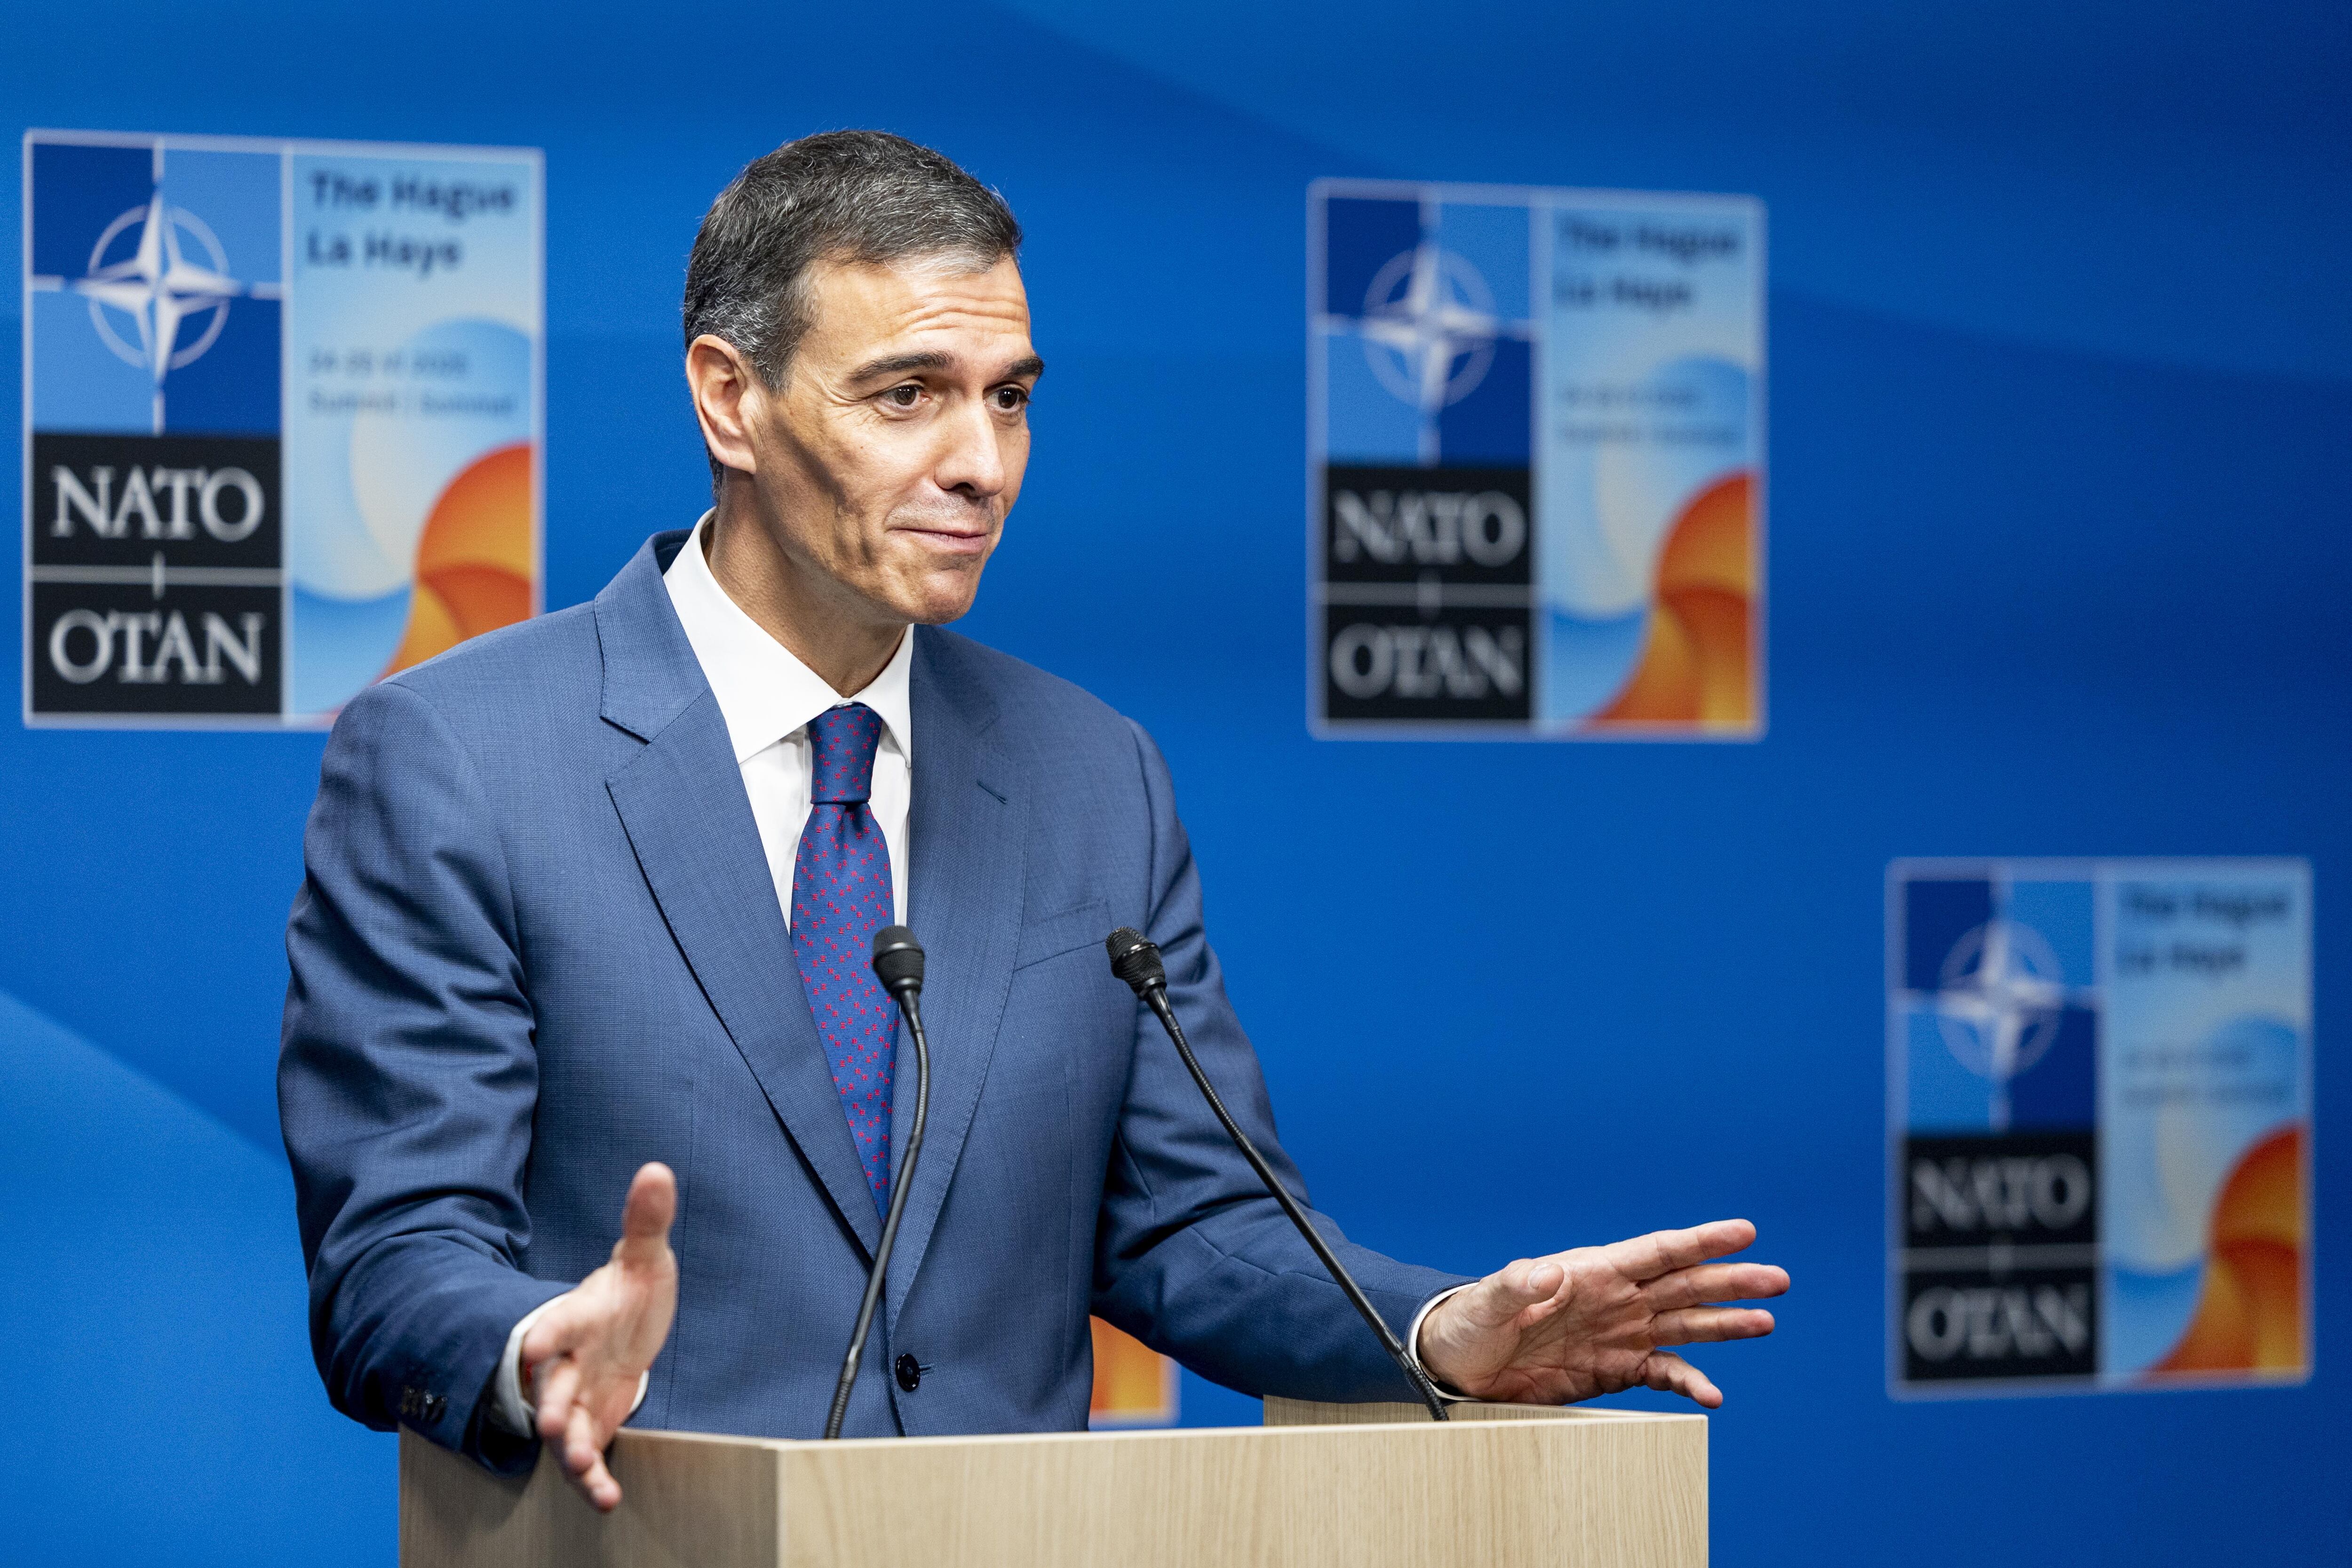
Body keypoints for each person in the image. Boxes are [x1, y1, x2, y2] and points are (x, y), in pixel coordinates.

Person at [279, 130, 1788, 1513]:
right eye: (907, 395)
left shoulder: (1091, 773)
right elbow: (394, 1262)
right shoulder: (461, 759)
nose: (982, 464)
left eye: (1009, 398)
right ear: (730, 398)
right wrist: (539, 1341)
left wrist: (1437, 1330)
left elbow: (1192, 1226)